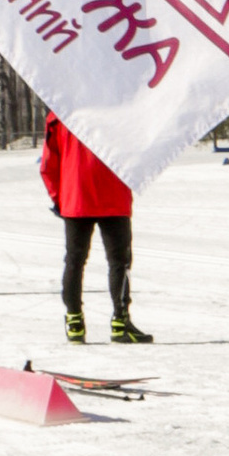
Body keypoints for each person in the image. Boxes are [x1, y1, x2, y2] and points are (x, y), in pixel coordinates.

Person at [39, 110, 147, 346]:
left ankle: (74, 322)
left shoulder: (60, 113)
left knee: (75, 261)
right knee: (119, 262)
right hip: (114, 195)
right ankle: (120, 322)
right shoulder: (121, 111)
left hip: (76, 196)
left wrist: (58, 196)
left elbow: (48, 162)